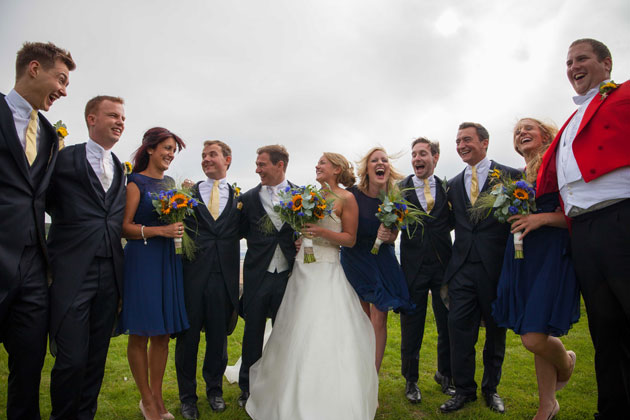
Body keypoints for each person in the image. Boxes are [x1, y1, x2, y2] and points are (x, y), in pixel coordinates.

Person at [537, 38, 630, 419]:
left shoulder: (624, 94)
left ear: (606, 63)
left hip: (621, 219)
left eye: (582, 59)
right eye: (569, 61)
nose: (574, 66)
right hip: (584, 231)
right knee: (605, 330)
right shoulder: (571, 120)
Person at [246, 153, 378, 420]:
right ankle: (283, 389)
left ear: (337, 169)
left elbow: (350, 239)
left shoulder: (346, 198)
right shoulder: (310, 197)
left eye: (323, 163)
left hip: (327, 271)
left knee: (322, 329)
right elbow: (303, 228)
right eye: (317, 162)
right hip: (302, 269)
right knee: (292, 329)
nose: (317, 166)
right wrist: (301, 239)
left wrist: (322, 234)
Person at [0, 41, 75, 420]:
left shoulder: (49, 135)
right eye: (60, 79)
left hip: (32, 267)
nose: (64, 90)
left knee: (28, 366)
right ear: (33, 69)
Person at [492, 118, 580, 419]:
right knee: (535, 327)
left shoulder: (559, 163)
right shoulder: (520, 177)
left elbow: (574, 210)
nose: (521, 133)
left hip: (552, 253)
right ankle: (547, 404)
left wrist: (539, 219)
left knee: (534, 337)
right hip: (524, 256)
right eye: (517, 131)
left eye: (528, 128)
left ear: (546, 134)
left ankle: (566, 363)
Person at [46, 96, 127, 420]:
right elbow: (46, 201)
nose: (120, 121)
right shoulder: (65, 159)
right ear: (91, 119)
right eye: (113, 115)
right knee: (71, 359)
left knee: (96, 357)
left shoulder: (119, 167)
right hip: (73, 270)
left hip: (110, 273)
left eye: (123, 117)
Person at [440, 122, 520, 414]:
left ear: (485, 143)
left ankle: (491, 389)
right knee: (459, 330)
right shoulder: (452, 185)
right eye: (458, 140)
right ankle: (464, 390)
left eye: (467, 140)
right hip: (461, 269)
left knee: (495, 333)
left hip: (495, 267)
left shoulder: (511, 177)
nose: (461, 145)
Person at [117, 127, 190, 420]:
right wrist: (161, 230)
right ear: (150, 149)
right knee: (141, 333)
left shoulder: (171, 183)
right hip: (142, 261)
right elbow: (124, 227)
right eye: (167, 148)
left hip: (167, 260)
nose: (170, 154)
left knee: (161, 334)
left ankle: (158, 399)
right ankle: (146, 401)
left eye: (174, 150)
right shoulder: (134, 182)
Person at [175, 140, 241, 419]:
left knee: (218, 340)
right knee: (187, 341)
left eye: (212, 155)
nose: (206, 159)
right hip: (192, 278)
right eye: (203, 156)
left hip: (223, 280)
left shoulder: (241, 199)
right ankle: (187, 397)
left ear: (227, 160)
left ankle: (214, 390)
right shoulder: (185, 195)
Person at [340, 147, 415, 374]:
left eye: (384, 160)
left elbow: (394, 235)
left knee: (379, 316)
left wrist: (389, 235)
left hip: (382, 259)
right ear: (367, 168)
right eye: (374, 160)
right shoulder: (353, 194)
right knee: (362, 319)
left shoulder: (393, 199)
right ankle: (357, 373)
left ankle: (372, 376)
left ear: (388, 168)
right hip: (356, 258)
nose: (380, 163)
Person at [237, 145, 297, 407]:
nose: (257, 169)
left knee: (285, 333)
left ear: (280, 165)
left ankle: (281, 383)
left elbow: (311, 229)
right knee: (252, 333)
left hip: (290, 275)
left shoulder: (301, 196)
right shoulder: (249, 198)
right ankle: (247, 388)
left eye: (262, 164)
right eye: (257, 164)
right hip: (257, 274)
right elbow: (236, 232)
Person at [399, 138, 454, 404]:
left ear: (435, 157)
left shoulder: (448, 188)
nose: (417, 159)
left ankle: (445, 374)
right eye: (414, 154)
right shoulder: (399, 190)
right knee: (412, 326)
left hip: (444, 268)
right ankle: (411, 380)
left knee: (447, 324)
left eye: (423, 154)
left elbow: (453, 223)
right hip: (413, 270)